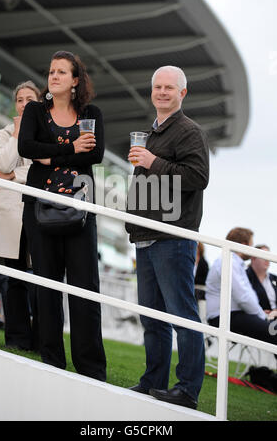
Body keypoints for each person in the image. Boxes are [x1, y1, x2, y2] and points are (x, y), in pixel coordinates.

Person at [18, 50, 106, 381]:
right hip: (39, 209)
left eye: (61, 72)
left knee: (85, 289)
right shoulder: (35, 111)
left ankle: (92, 370)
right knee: (47, 288)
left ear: (75, 80)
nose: (53, 76)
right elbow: (26, 147)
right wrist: (69, 150)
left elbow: (95, 153)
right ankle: (52, 362)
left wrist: (49, 156)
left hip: (80, 210)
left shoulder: (91, 112)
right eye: (51, 71)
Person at [126, 65, 209, 409]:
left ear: (182, 94)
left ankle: (187, 390)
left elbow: (198, 177)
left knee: (181, 315)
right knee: (152, 319)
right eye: (157, 87)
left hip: (173, 237)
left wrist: (152, 161)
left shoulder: (189, 131)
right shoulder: (152, 132)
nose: (162, 92)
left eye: (169, 88)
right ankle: (153, 382)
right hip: (146, 235)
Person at [0, 81, 40, 350]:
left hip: (37, 210)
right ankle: (17, 338)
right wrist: (18, 134)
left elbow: (42, 173)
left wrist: (13, 176)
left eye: (30, 98)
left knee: (39, 278)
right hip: (9, 214)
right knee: (13, 278)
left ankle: (41, 339)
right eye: (20, 99)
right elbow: (3, 163)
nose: (24, 103)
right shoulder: (5, 134)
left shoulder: (47, 133)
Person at [206, 228, 277, 345]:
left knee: (273, 331)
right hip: (225, 318)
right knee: (273, 331)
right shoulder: (229, 262)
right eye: (251, 244)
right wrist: (262, 316)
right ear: (244, 244)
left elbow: (246, 296)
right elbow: (243, 297)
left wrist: (261, 314)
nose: (252, 249)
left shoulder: (234, 263)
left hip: (232, 315)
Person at [246, 244, 277, 313]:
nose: (267, 260)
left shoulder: (275, 278)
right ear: (253, 258)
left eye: (269, 257)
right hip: (256, 318)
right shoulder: (244, 277)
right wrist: (261, 312)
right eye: (264, 256)